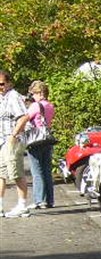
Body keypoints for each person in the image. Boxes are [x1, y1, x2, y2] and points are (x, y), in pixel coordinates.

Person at [12, 80, 56, 208]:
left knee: (37, 171)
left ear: (41, 93)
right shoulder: (50, 105)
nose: (33, 96)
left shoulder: (35, 106)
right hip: (47, 139)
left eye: (34, 93)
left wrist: (15, 134)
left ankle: (39, 200)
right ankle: (49, 200)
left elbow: (25, 119)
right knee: (47, 170)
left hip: (35, 139)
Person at [0, 70, 30, 218]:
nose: (0, 87)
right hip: (2, 140)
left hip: (12, 140)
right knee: (2, 173)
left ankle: (22, 205)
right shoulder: (2, 97)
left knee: (16, 172)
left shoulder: (13, 96)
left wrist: (13, 135)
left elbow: (24, 116)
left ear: (9, 83)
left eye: (2, 84)